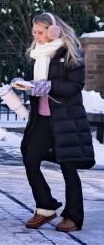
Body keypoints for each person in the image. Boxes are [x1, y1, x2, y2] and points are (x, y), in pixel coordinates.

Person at [17, 12, 95, 232]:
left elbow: (75, 86)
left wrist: (49, 86)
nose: (37, 36)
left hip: (65, 119)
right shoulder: (39, 55)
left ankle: (73, 216)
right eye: (34, 32)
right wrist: (25, 86)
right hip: (42, 118)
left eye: (40, 32)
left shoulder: (69, 53)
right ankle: (45, 206)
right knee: (30, 158)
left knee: (68, 167)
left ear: (53, 30)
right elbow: (38, 85)